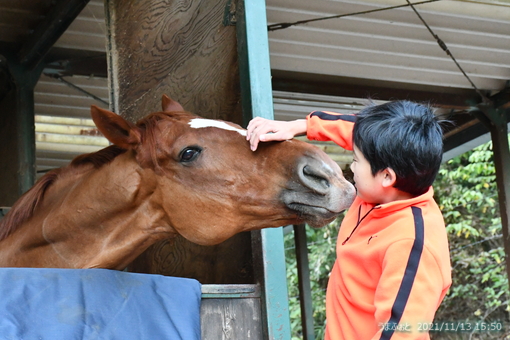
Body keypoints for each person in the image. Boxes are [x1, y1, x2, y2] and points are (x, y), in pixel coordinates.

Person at [246, 101, 452, 340]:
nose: (351, 166)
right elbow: (360, 129)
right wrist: (300, 126)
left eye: (355, 160)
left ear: (386, 176)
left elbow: (401, 334)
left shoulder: (411, 244)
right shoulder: (389, 185)